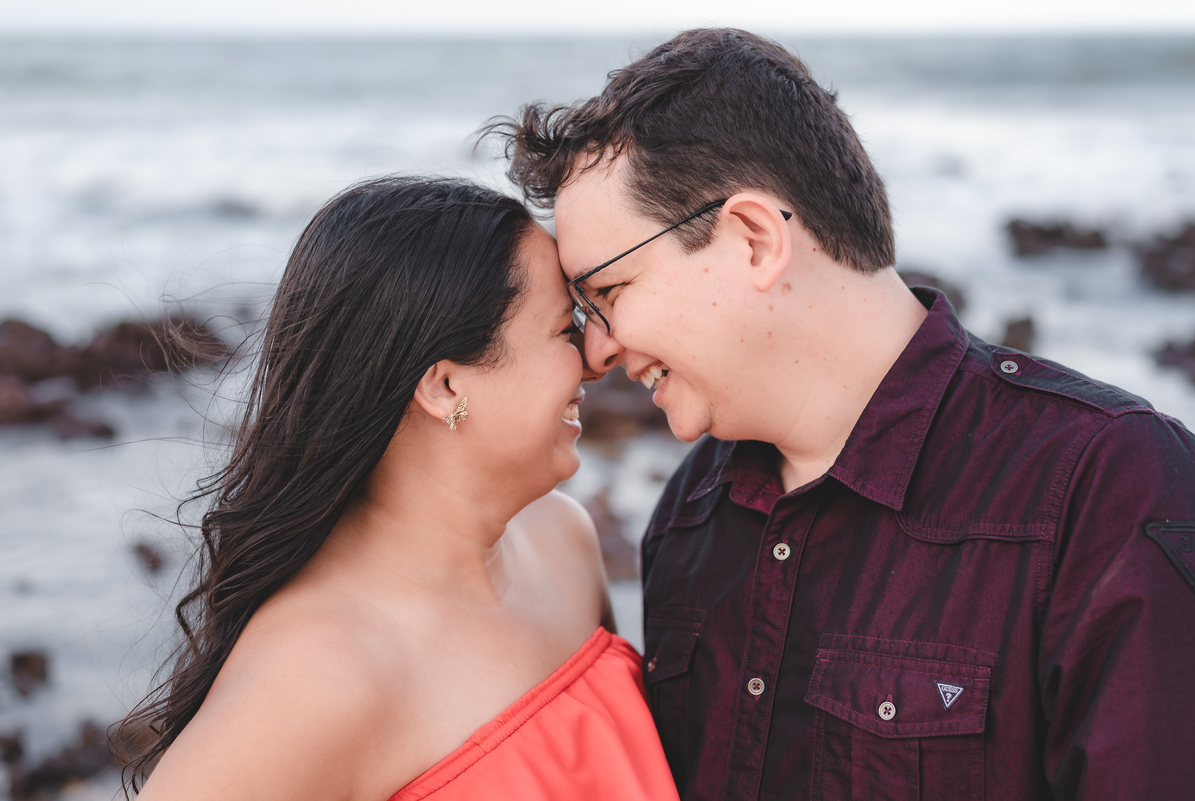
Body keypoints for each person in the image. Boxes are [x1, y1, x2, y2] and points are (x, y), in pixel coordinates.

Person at [491, 27, 1195, 800]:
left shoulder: (1106, 486)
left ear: (756, 239)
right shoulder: (688, 513)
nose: (598, 351)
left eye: (612, 293)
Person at [115, 176, 679, 801]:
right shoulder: (320, 673)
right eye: (562, 330)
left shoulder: (563, 540)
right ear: (444, 387)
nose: (596, 358)